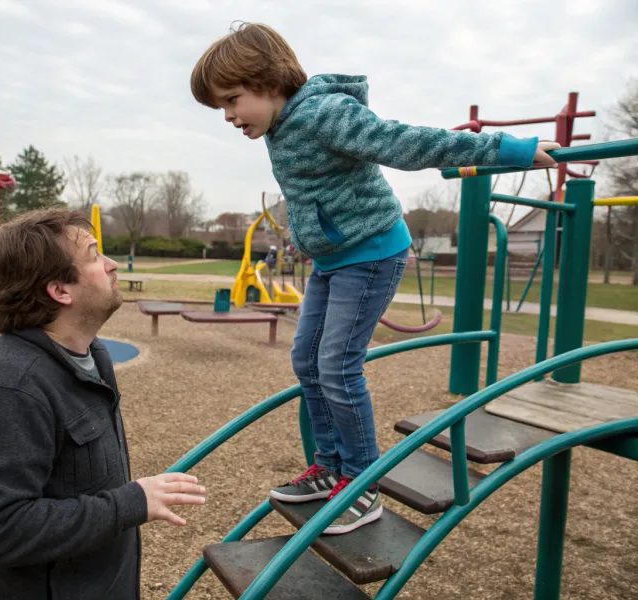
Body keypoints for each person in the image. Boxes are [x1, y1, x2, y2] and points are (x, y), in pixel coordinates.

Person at [190, 22, 559, 535]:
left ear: (270, 81)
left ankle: (363, 485)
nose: (229, 117)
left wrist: (507, 150)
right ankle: (329, 468)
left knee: (338, 366)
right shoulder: (279, 125)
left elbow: (407, 144)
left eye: (232, 101)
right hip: (331, 260)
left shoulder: (325, 114)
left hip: (370, 255)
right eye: (221, 108)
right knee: (306, 359)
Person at [0, 208, 206, 599]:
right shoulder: (7, 391)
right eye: (95, 255)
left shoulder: (91, 356)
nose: (112, 264)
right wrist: (130, 502)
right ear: (60, 290)